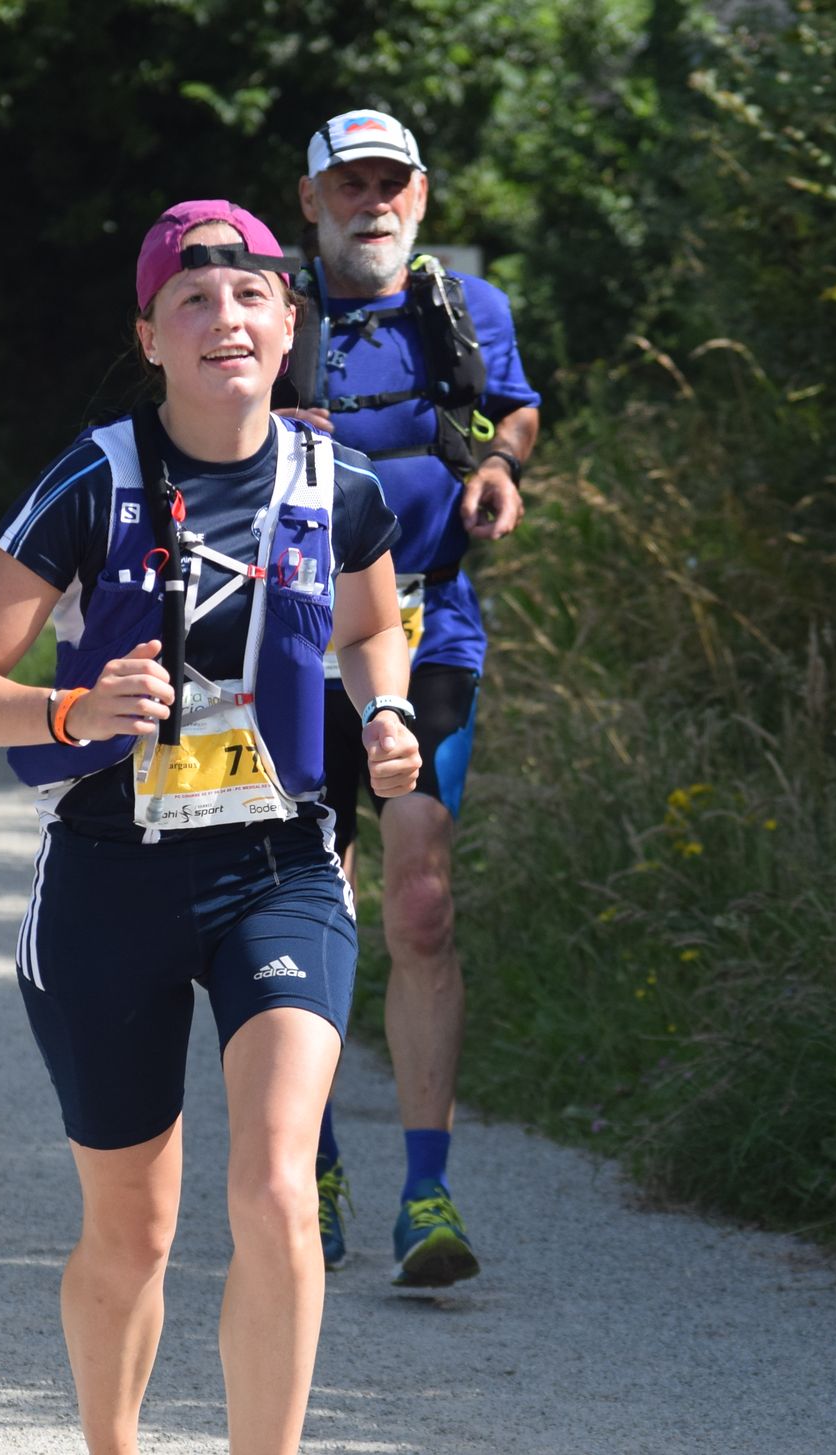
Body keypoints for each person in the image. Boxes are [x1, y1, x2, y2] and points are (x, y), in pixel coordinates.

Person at [0, 201, 417, 1455]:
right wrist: (72, 710)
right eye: (191, 300)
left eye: (251, 294)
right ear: (149, 338)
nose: (225, 318)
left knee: (276, 1189)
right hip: (112, 877)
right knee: (132, 1230)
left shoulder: (338, 481)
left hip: (281, 868)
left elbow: (369, 625)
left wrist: (386, 708)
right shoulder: (95, 480)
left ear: (289, 323)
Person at [286, 109, 543, 1285]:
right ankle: (315, 1166)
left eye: (391, 183)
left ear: (422, 196)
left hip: (430, 628)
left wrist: (497, 467)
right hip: (294, 637)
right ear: (311, 203)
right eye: (350, 185)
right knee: (309, 904)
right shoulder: (266, 310)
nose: (372, 203)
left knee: (423, 904)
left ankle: (426, 1195)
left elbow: (514, 408)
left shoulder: (465, 306)